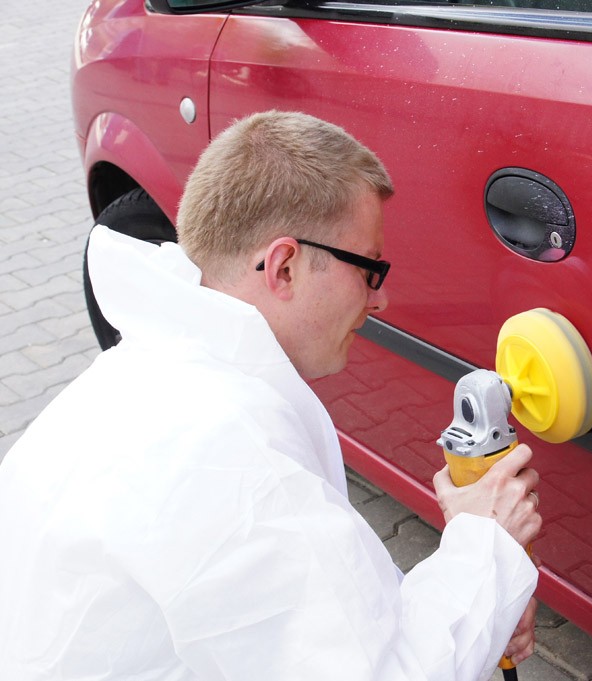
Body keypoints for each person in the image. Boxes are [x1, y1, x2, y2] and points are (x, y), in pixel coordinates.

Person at [0, 111, 542, 681]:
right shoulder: (231, 456)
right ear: (283, 267)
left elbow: (332, 631)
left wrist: (479, 592)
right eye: (370, 270)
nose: (380, 301)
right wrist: (488, 543)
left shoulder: (134, 382)